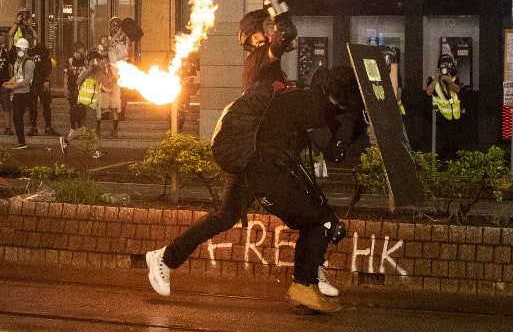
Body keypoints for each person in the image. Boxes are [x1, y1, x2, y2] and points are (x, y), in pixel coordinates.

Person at [145, 66, 362, 314]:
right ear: (333, 96)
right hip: (261, 171)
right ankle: (305, 283)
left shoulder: (302, 97)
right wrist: (354, 117)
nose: (340, 106)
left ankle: (164, 258)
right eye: (341, 101)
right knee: (319, 221)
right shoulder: (309, 104)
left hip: (251, 163)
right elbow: (335, 152)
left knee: (223, 218)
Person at [59, 51, 107, 159]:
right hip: (87, 105)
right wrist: (102, 68)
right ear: (94, 61)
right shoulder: (90, 72)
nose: (100, 62)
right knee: (92, 128)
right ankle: (96, 150)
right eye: (98, 60)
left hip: (89, 104)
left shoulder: (92, 72)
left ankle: (66, 140)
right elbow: (78, 81)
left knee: (88, 128)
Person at [426, 54, 463, 161]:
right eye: (443, 64)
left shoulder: (454, 78)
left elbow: (457, 90)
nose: (446, 66)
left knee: (453, 142)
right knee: (443, 141)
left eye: (449, 64)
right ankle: (440, 161)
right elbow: (429, 92)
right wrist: (436, 79)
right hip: (440, 117)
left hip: (454, 116)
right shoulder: (432, 78)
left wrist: (449, 81)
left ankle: (451, 161)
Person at [3, 38, 34, 149]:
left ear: (24, 49)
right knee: (17, 117)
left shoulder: (29, 62)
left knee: (18, 117)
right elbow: (16, 76)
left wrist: (13, 86)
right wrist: (9, 82)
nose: (17, 51)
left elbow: (27, 80)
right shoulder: (18, 61)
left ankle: (21, 142)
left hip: (24, 94)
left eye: (19, 48)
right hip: (17, 93)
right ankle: (21, 141)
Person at [26, 35, 60, 137]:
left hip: (42, 81)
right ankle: (33, 127)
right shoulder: (24, 50)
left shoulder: (41, 48)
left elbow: (48, 64)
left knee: (46, 104)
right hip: (31, 82)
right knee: (32, 105)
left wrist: (46, 79)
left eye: (30, 38)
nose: (29, 40)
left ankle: (48, 127)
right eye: (27, 39)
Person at [117, 17, 144, 119]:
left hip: (123, 66)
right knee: (120, 92)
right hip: (119, 65)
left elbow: (129, 53)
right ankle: (119, 112)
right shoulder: (118, 39)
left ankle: (121, 112)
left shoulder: (127, 39)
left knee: (123, 92)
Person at [63, 41, 88, 132]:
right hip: (72, 87)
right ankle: (72, 127)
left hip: (82, 88)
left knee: (81, 108)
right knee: (73, 108)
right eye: (78, 51)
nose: (79, 54)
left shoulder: (85, 61)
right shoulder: (70, 61)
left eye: (82, 50)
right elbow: (66, 75)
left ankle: (80, 126)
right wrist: (65, 88)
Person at [96, 55, 120, 138]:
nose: (104, 61)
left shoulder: (112, 69)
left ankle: (114, 130)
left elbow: (116, 78)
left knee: (112, 110)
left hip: (110, 91)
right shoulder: (105, 68)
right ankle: (98, 130)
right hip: (105, 91)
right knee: (100, 110)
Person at [0, 33, 13, 136]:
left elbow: (10, 67)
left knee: (6, 106)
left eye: (2, 41)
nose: (1, 43)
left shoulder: (6, 53)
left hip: (4, 84)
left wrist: (11, 82)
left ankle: (8, 127)